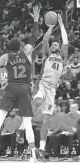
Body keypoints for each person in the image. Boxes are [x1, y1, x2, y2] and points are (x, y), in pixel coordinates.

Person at [0, 6, 41, 163]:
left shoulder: (6, 57)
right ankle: (33, 156)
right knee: (28, 123)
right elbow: (35, 36)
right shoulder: (28, 53)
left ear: (9, 47)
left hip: (11, 88)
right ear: (21, 47)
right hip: (24, 88)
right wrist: (35, 20)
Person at [32, 13, 68, 158]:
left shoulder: (62, 57)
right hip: (42, 84)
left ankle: (41, 148)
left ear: (58, 49)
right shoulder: (47, 54)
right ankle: (27, 117)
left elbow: (66, 42)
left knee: (46, 121)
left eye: (56, 45)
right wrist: (51, 27)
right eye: (53, 44)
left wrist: (62, 25)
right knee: (38, 100)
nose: (54, 45)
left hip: (52, 89)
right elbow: (45, 39)